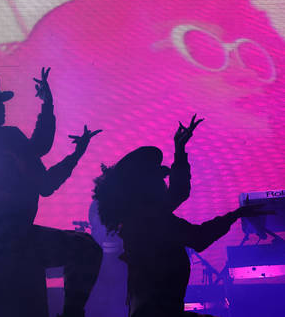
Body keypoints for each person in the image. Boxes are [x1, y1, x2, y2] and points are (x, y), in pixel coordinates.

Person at [0, 70, 103, 317]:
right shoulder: (5, 138)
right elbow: (46, 183)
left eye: (1, 100)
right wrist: (75, 154)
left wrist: (47, 107)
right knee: (87, 249)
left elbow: (36, 148)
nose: (2, 106)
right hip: (12, 239)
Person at [92, 116, 266, 317]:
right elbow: (199, 237)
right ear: (147, 185)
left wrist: (180, 150)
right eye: (160, 177)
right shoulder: (152, 219)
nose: (164, 182)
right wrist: (235, 214)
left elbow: (179, 192)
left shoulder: (143, 213)